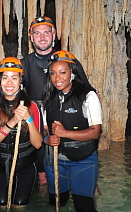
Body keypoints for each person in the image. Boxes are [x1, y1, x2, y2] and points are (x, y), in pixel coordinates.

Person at [21, 16, 90, 186]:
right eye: (37, 33)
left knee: (80, 172)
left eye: (46, 32)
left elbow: (86, 89)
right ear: (31, 37)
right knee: (43, 177)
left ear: (54, 34)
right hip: (38, 124)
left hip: (67, 120)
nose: (42, 37)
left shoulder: (68, 61)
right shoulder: (24, 64)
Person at [43, 50, 101, 212]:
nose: (57, 78)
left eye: (63, 73)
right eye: (53, 73)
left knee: (84, 210)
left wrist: (64, 133)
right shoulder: (48, 97)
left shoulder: (88, 96)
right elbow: (45, 129)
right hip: (54, 161)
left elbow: (95, 132)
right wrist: (48, 138)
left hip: (83, 160)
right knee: (56, 204)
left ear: (72, 73)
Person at [0, 57, 42, 206]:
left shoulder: (32, 106)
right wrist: (11, 123)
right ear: (0, 81)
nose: (9, 83)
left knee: (19, 205)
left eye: (14, 78)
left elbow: (37, 144)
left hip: (25, 167)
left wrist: (28, 119)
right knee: (1, 203)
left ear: (21, 81)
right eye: (5, 78)